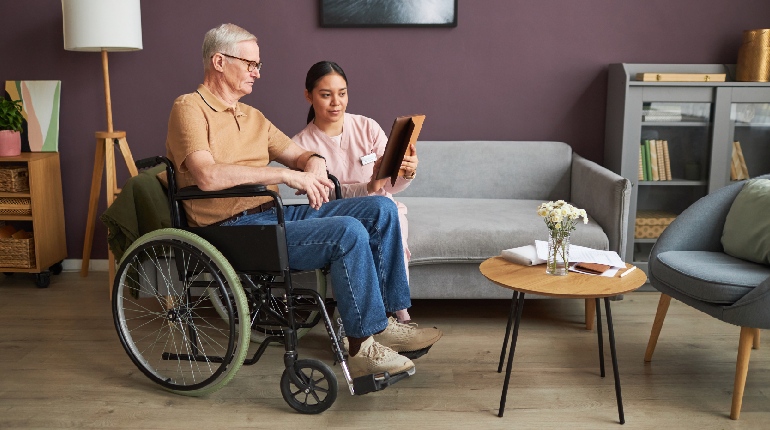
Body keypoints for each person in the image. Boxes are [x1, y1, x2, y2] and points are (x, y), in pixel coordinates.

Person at [164, 23, 441, 379]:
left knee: (381, 208)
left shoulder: (253, 117)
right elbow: (207, 176)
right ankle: (361, 348)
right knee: (346, 231)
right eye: (250, 64)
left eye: (257, 65)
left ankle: (384, 322)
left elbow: (302, 154)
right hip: (230, 229)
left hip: (270, 216)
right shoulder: (189, 107)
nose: (256, 73)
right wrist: (283, 175)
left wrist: (313, 167)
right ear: (219, 61)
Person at [292, 61, 419, 323]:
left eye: (342, 93)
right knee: (352, 238)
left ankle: (399, 315)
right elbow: (322, 197)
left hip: (384, 207)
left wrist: (407, 171)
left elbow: (389, 184)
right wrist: (368, 187)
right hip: (334, 216)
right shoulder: (301, 145)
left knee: (392, 220)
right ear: (309, 95)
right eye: (326, 95)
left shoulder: (367, 127)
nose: (336, 102)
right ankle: (362, 319)